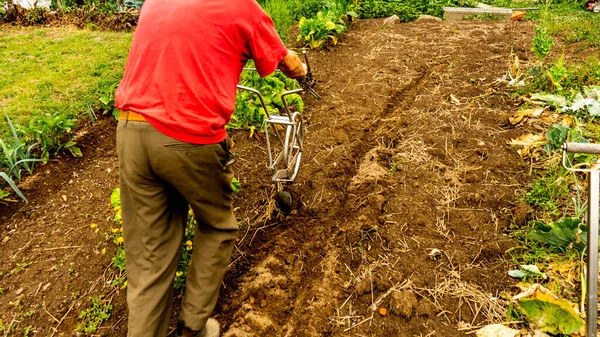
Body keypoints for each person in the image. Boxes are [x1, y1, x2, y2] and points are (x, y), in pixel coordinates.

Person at [114, 0, 307, 336]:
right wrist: (301, 70)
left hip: (130, 131)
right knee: (217, 225)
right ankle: (194, 327)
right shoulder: (242, 6)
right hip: (186, 136)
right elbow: (286, 60)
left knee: (149, 259)